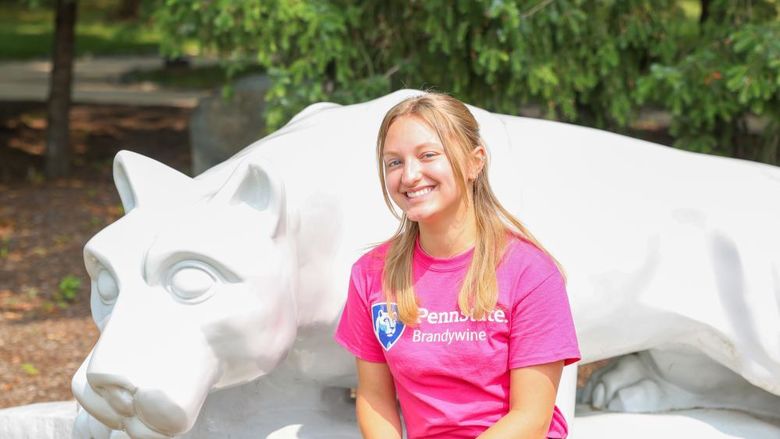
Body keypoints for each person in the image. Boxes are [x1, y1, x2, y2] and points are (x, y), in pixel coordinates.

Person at [334, 92, 580, 439]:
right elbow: (375, 398)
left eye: (427, 155)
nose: (409, 175)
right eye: (394, 162)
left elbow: (531, 418)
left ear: (474, 162)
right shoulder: (371, 274)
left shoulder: (529, 273)